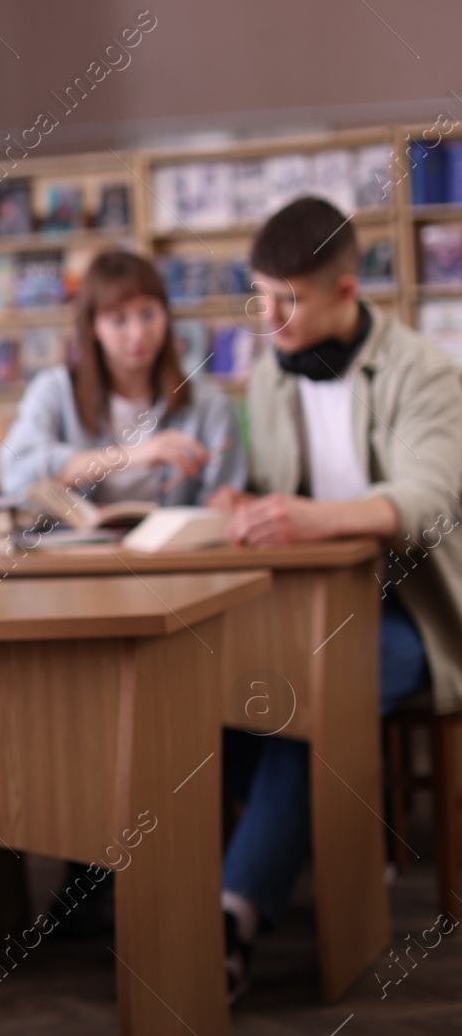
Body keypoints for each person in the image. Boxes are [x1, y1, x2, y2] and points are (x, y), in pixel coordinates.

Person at [209, 196, 462, 1001]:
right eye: (262, 297)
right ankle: (312, 845)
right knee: (213, 677)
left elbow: (429, 497)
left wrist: (311, 516)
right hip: (311, 606)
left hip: (418, 612)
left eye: (290, 301)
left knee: (308, 692)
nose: (270, 319)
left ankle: (231, 914)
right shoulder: (269, 383)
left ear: (348, 292)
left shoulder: (425, 368)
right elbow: (273, 491)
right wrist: (237, 504)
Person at [1, 249, 245, 505]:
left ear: (166, 316)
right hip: (76, 544)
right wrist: (132, 456)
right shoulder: (54, 390)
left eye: (148, 314)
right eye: (118, 320)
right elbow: (18, 476)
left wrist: (224, 504)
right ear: (93, 326)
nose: (138, 333)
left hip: (172, 545)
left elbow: (223, 496)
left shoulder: (208, 402)